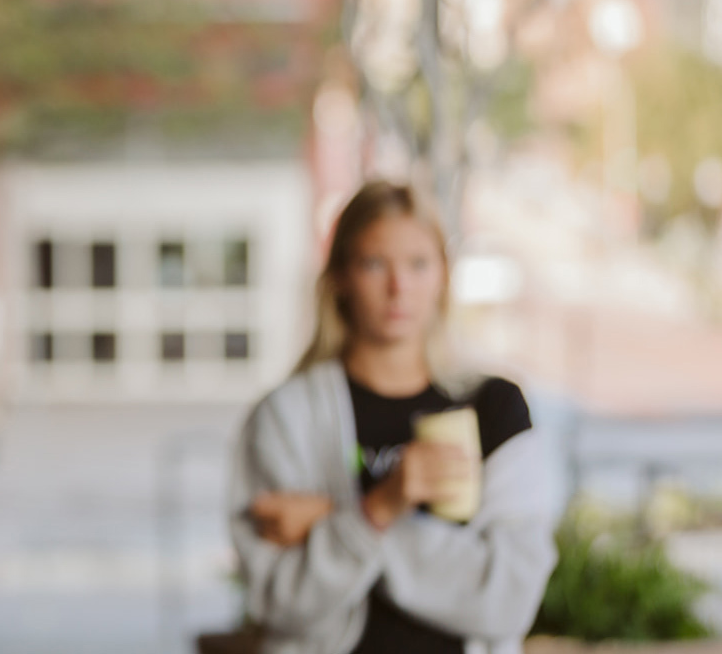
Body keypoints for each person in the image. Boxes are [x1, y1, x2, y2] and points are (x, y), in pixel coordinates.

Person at [228, 180, 558, 654]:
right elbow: (279, 601)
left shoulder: (496, 409)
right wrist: (378, 508)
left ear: (444, 274)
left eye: (418, 264)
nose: (398, 287)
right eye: (374, 263)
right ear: (340, 276)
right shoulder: (286, 418)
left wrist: (332, 518)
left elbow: (508, 599)